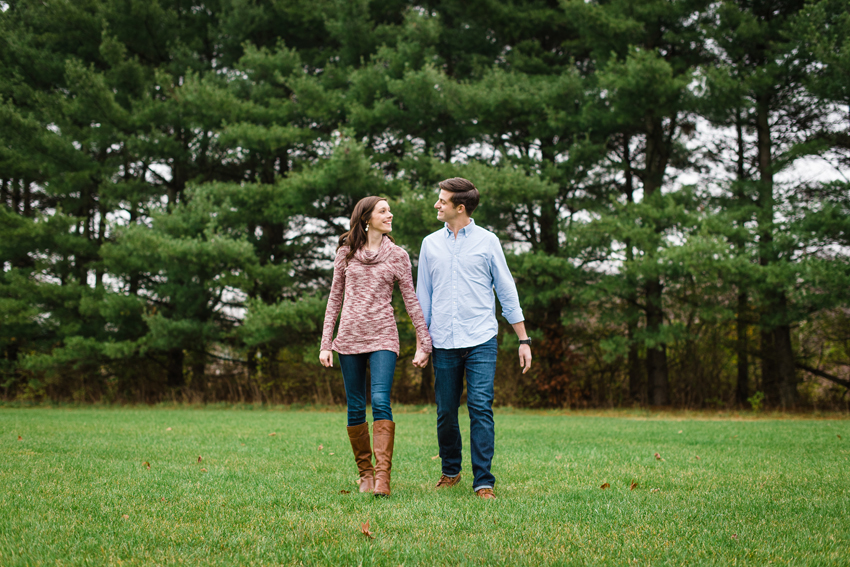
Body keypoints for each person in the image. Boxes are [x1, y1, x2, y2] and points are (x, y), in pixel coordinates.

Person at [416, 177, 532, 500]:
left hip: (481, 338)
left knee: (481, 407)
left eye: (442, 201)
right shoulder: (430, 245)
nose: (437, 205)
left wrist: (524, 340)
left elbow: (507, 291)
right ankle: (451, 470)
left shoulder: (488, 242)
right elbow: (422, 296)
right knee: (445, 411)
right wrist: (422, 343)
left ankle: (483, 481)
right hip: (443, 342)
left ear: (460, 208)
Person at [320, 195, 431, 498]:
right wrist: (326, 343)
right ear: (366, 218)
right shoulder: (345, 254)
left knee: (381, 399)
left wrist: (425, 341)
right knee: (356, 404)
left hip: (383, 336)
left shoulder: (398, 255)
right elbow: (334, 298)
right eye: (383, 211)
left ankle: (383, 477)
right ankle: (365, 474)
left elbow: (411, 300)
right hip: (349, 338)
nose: (390, 214)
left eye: (389, 210)